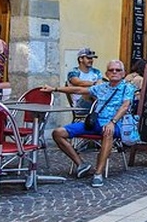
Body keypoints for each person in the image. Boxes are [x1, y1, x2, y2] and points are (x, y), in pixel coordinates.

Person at [41, 59, 135, 188]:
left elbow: (125, 106)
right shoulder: (102, 87)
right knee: (58, 133)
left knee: (108, 132)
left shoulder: (127, 88)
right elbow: (79, 90)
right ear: (106, 73)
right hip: (95, 123)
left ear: (123, 73)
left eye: (118, 70)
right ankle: (81, 164)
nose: (114, 72)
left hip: (116, 124)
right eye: (111, 70)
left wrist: (112, 122)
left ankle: (98, 174)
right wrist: (55, 89)